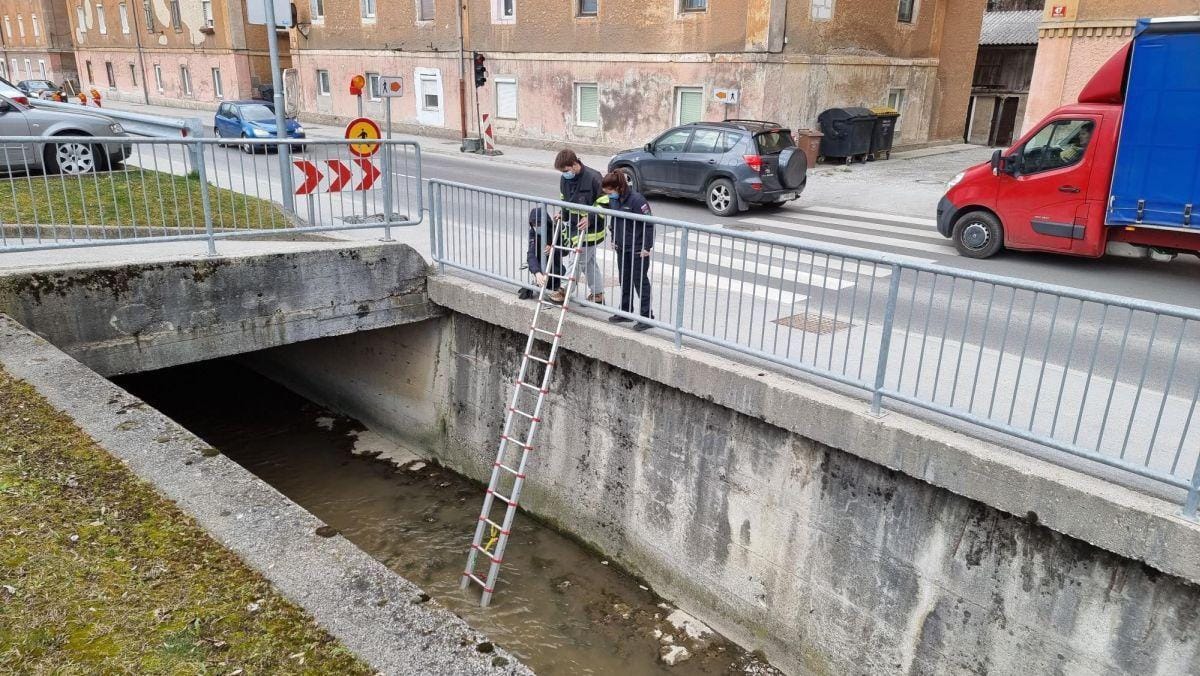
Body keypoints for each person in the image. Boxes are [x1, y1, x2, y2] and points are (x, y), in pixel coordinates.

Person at [548, 149, 607, 305]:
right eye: (562, 172)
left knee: (577, 259)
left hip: (592, 230)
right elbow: (565, 200)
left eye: (566, 170)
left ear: (574, 164)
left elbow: (605, 203)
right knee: (588, 262)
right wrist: (563, 214)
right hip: (575, 228)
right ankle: (598, 293)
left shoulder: (594, 178)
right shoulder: (564, 179)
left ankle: (565, 290)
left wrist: (590, 217)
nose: (564, 174)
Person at [602, 171, 654, 332]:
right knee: (624, 279)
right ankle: (625, 311)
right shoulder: (615, 200)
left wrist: (647, 247)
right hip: (622, 247)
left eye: (610, 192)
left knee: (640, 282)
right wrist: (613, 239)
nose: (609, 195)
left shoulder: (637, 200)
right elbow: (614, 219)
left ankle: (647, 316)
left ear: (618, 187)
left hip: (638, 249)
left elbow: (649, 224)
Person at [520, 206, 563, 300]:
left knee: (556, 281)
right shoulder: (533, 233)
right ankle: (538, 281)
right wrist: (537, 272)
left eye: (539, 223)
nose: (536, 226)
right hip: (541, 266)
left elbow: (565, 251)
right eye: (534, 224)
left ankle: (553, 286)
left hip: (555, 266)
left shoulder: (555, 230)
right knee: (537, 270)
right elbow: (531, 254)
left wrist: (553, 248)